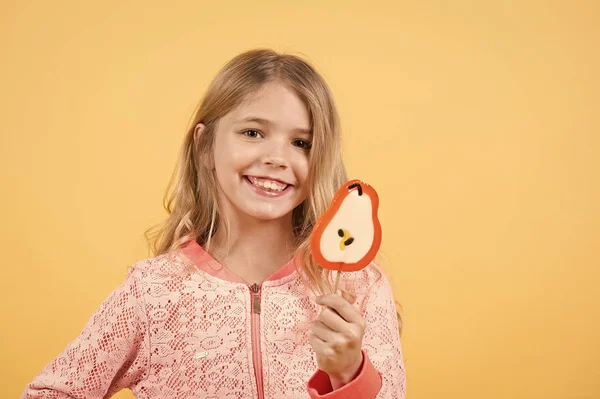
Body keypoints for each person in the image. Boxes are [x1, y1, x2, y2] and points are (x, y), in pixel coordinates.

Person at [22, 49, 406, 399]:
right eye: (253, 133)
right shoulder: (153, 292)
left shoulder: (359, 286)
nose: (276, 157)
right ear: (205, 146)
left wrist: (348, 374)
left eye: (302, 143)